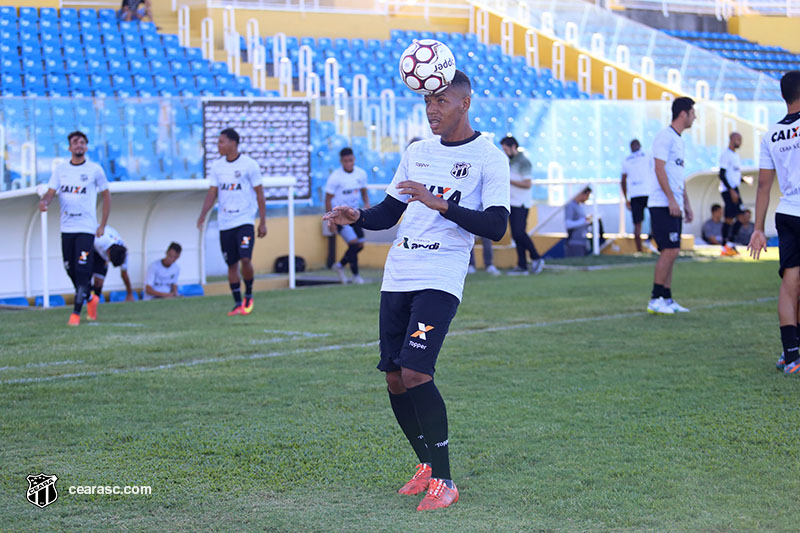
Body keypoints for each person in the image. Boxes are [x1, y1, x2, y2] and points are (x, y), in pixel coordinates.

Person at [323, 70, 510, 511]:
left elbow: (497, 226)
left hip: (441, 275)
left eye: (441, 101)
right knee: (393, 376)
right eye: (427, 101)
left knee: (416, 372)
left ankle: (445, 480)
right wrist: (358, 216)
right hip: (399, 272)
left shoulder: (489, 157)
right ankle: (424, 464)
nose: (432, 109)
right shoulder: (417, 151)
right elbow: (389, 211)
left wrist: (440, 202)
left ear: (464, 103)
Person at [748, 70, 800, 374]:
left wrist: (758, 228)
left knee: (790, 282)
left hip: (787, 211)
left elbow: (764, 186)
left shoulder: (771, 135)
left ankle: (791, 354)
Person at [38, 131, 110, 326]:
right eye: (75, 142)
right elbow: (50, 193)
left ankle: (75, 315)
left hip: (86, 229)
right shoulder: (61, 170)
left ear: (86, 147)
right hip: (66, 228)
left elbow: (106, 196)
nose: (78, 145)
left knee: (82, 270)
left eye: (82, 142)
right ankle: (89, 299)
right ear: (69, 148)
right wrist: (44, 202)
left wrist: (102, 224)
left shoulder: (95, 170)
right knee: (70, 269)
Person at [197, 128, 267, 316]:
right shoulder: (217, 167)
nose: (218, 145)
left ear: (233, 143)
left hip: (244, 219)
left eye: (221, 142)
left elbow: (260, 193)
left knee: (245, 258)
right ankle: (237, 303)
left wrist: (262, 221)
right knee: (231, 264)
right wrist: (203, 214)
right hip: (225, 222)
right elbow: (212, 193)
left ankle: (249, 295)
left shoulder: (249, 165)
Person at [647, 96, 696, 315]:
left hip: (674, 204)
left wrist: (686, 203)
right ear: (683, 113)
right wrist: (670, 199)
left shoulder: (680, 140)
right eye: (693, 112)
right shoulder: (664, 137)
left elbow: (678, 175)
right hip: (662, 204)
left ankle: (667, 298)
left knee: (673, 251)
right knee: (669, 250)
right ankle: (655, 298)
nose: (695, 117)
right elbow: (659, 169)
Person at [325, 147, 370, 284]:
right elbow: (327, 198)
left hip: (354, 214)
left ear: (354, 159)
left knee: (360, 245)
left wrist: (367, 204)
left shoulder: (360, 174)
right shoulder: (335, 177)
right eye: (345, 161)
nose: (348, 163)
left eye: (350, 160)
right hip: (340, 217)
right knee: (354, 243)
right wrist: (331, 220)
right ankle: (356, 276)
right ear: (341, 161)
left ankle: (339, 265)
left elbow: (363, 190)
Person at [499, 136, 544, 275]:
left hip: (521, 203)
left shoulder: (524, 162)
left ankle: (536, 257)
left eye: (506, 149)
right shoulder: (510, 162)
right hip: (512, 203)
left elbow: (527, 183)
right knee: (516, 235)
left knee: (520, 233)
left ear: (513, 147)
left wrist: (508, 180)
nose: (505, 152)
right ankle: (522, 265)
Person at [90, 225, 134, 316]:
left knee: (99, 282)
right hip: (90, 246)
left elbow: (124, 274)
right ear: (108, 253)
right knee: (85, 273)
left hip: (102, 254)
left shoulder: (123, 254)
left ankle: (93, 307)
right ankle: (85, 298)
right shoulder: (99, 240)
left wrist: (129, 293)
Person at [621, 139, 653, 253]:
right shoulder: (647, 155)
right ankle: (650, 241)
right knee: (654, 217)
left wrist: (626, 198)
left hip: (635, 194)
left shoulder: (626, 160)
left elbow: (623, 180)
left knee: (637, 224)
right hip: (647, 192)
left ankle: (640, 250)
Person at [719, 131, 744, 255]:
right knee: (730, 218)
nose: (740, 142)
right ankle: (725, 246)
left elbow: (734, 175)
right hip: (728, 190)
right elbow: (722, 175)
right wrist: (731, 190)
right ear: (732, 139)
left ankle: (730, 244)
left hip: (735, 189)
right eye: (738, 139)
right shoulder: (726, 154)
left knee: (741, 217)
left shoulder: (735, 155)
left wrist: (743, 180)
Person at [564, 187, 592, 257]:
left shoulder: (580, 206)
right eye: (587, 196)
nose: (587, 198)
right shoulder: (570, 206)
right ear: (582, 194)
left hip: (583, 242)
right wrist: (584, 221)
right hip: (574, 243)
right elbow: (567, 224)